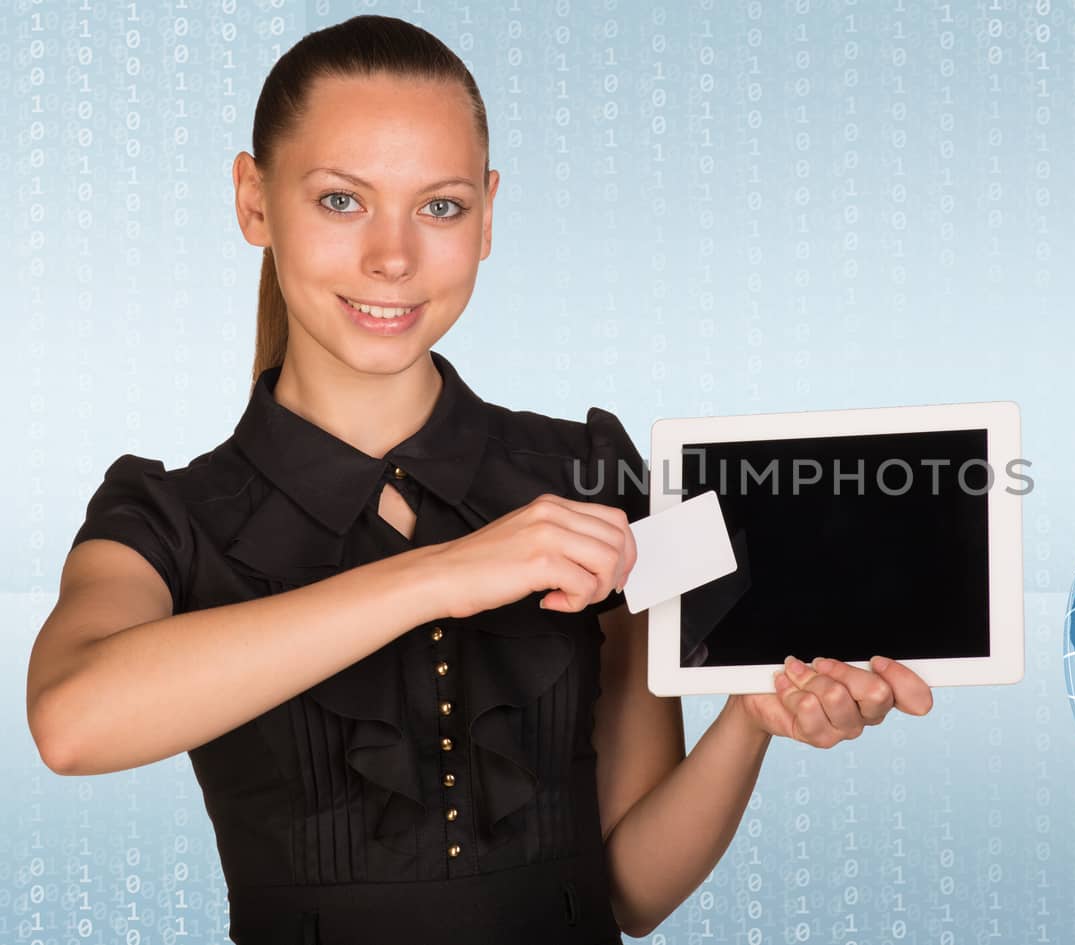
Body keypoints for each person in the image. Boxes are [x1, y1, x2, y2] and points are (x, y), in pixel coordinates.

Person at [24, 15, 934, 945]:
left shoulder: (592, 478)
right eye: (342, 200)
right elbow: (72, 722)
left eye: (441, 206)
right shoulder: (166, 516)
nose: (394, 257)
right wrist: (446, 572)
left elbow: (633, 892)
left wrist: (746, 724)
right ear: (253, 200)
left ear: (489, 213)